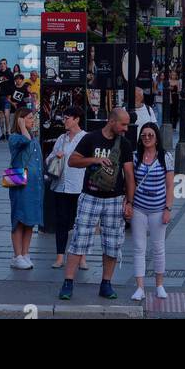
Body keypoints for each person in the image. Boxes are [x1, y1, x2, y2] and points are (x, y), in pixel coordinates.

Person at [58, 106, 134, 302]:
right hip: (90, 196)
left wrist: (129, 202)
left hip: (114, 199)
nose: (126, 128)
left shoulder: (124, 144)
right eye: (123, 124)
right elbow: (72, 161)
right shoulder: (91, 138)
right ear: (112, 121)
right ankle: (68, 282)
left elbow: (129, 176)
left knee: (112, 243)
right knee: (79, 239)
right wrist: (95, 160)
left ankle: (106, 283)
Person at [128, 122, 174, 301]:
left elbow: (170, 185)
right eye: (144, 135)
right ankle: (139, 287)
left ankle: (159, 285)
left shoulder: (165, 157)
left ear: (156, 138)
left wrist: (168, 208)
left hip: (158, 208)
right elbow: (130, 182)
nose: (146, 138)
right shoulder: (135, 157)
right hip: (139, 207)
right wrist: (129, 203)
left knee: (158, 248)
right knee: (139, 248)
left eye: (150, 135)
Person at [47, 106, 87, 270]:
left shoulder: (86, 138)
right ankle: (59, 256)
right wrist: (55, 157)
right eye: (63, 118)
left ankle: (82, 258)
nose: (64, 121)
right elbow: (49, 158)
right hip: (60, 186)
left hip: (79, 186)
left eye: (67, 118)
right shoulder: (61, 139)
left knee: (81, 223)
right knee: (61, 222)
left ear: (76, 119)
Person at [7, 103, 43, 269]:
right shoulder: (15, 137)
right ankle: (17, 255)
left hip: (34, 184)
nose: (33, 121)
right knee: (19, 219)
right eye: (29, 118)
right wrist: (22, 127)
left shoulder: (34, 138)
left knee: (30, 220)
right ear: (21, 120)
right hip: (20, 181)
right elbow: (25, 141)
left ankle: (26, 253)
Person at [0, 57, 15, 139]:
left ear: (6, 64)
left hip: (7, 97)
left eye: (4, 63)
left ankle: (8, 132)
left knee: (7, 115)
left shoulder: (10, 74)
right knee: (0, 117)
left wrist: (10, 95)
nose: (2, 65)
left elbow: (13, 86)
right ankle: (2, 133)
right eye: (1, 64)